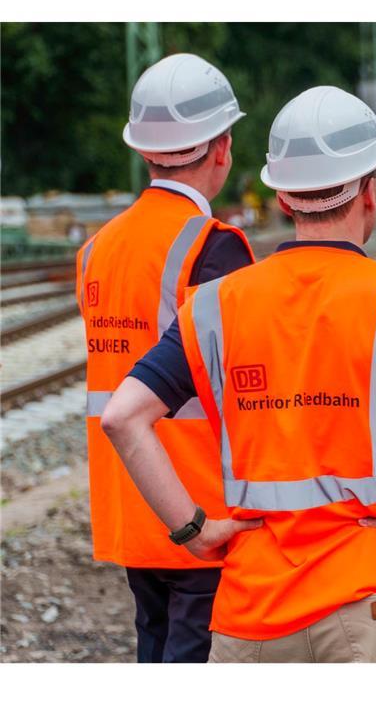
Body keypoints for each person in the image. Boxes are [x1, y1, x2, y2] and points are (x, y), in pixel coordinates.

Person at [101, 86, 376, 663]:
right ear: (370, 191)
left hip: (254, 607)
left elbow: (122, 417)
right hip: (374, 596)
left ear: (284, 199)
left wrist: (193, 530)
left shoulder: (216, 306)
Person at [75, 53, 254, 662]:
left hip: (130, 503)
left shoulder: (98, 249)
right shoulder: (213, 248)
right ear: (222, 148)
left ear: (142, 151)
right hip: (201, 511)